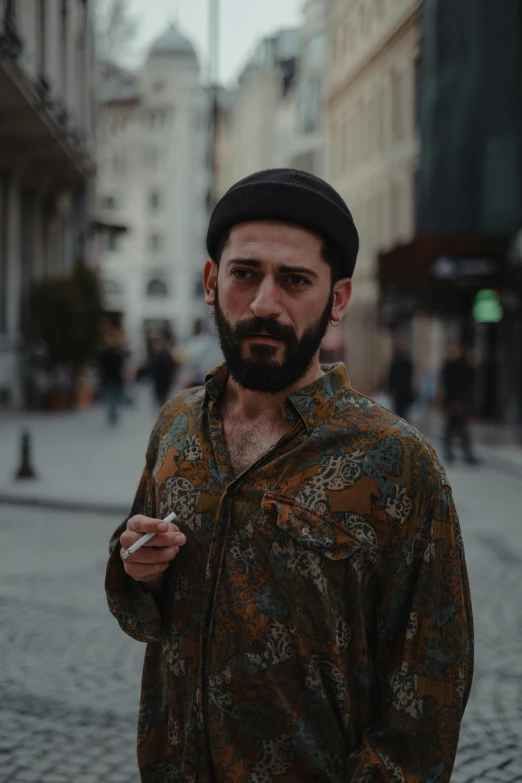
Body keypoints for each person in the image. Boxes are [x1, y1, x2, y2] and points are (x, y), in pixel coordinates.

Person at [105, 169, 473, 782]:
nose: (265, 304)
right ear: (211, 279)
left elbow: (430, 695)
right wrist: (134, 567)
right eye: (245, 273)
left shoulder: (398, 462)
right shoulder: (176, 427)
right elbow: (141, 608)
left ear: (338, 299)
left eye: (295, 280)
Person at [440, 342, 478, 465]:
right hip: (453, 401)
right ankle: (452, 452)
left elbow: (466, 385)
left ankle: (463, 453)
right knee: (453, 428)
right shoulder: (449, 365)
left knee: (460, 427)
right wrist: (452, 401)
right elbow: (448, 385)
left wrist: (461, 402)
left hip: (461, 401)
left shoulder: (464, 366)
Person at [98, 332, 126, 426]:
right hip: (114, 380)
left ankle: (112, 415)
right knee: (114, 399)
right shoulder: (117, 354)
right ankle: (113, 415)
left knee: (112, 399)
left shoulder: (105, 354)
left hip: (109, 380)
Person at [148, 335, 178, 407]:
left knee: (164, 399)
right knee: (161, 399)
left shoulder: (165, 355)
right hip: (159, 382)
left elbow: (171, 367)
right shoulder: (156, 355)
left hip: (164, 381)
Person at [388, 344, 415, 419]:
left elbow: (391, 378)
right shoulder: (407, 362)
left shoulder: (396, 362)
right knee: (404, 412)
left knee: (399, 411)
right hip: (404, 391)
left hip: (398, 392)